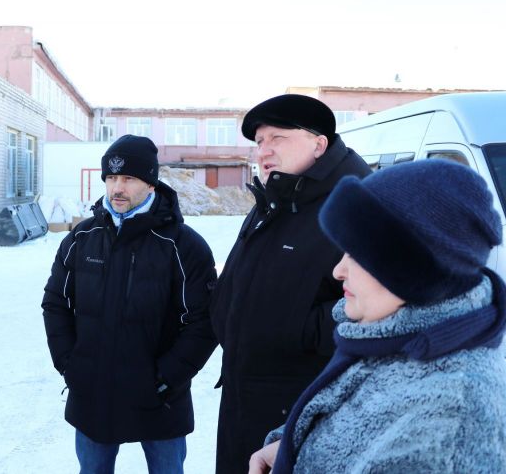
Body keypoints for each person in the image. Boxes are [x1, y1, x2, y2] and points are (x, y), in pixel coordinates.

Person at [249, 159, 506, 473]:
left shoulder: (448, 418)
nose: (338, 270)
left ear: (413, 272)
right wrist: (294, 446)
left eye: (357, 255)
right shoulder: (388, 337)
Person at [210, 94, 371, 472]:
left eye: (277, 138)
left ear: (319, 144)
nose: (263, 150)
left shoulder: (356, 204)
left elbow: (377, 306)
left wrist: (296, 329)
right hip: (243, 398)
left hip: (302, 407)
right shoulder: (273, 200)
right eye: (259, 141)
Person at [42, 134, 217, 473]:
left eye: (128, 178)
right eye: (111, 178)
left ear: (151, 183)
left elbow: (205, 320)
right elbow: (55, 303)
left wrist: (166, 378)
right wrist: (68, 363)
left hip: (160, 398)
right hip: (93, 393)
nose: (117, 188)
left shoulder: (183, 245)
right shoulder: (82, 238)